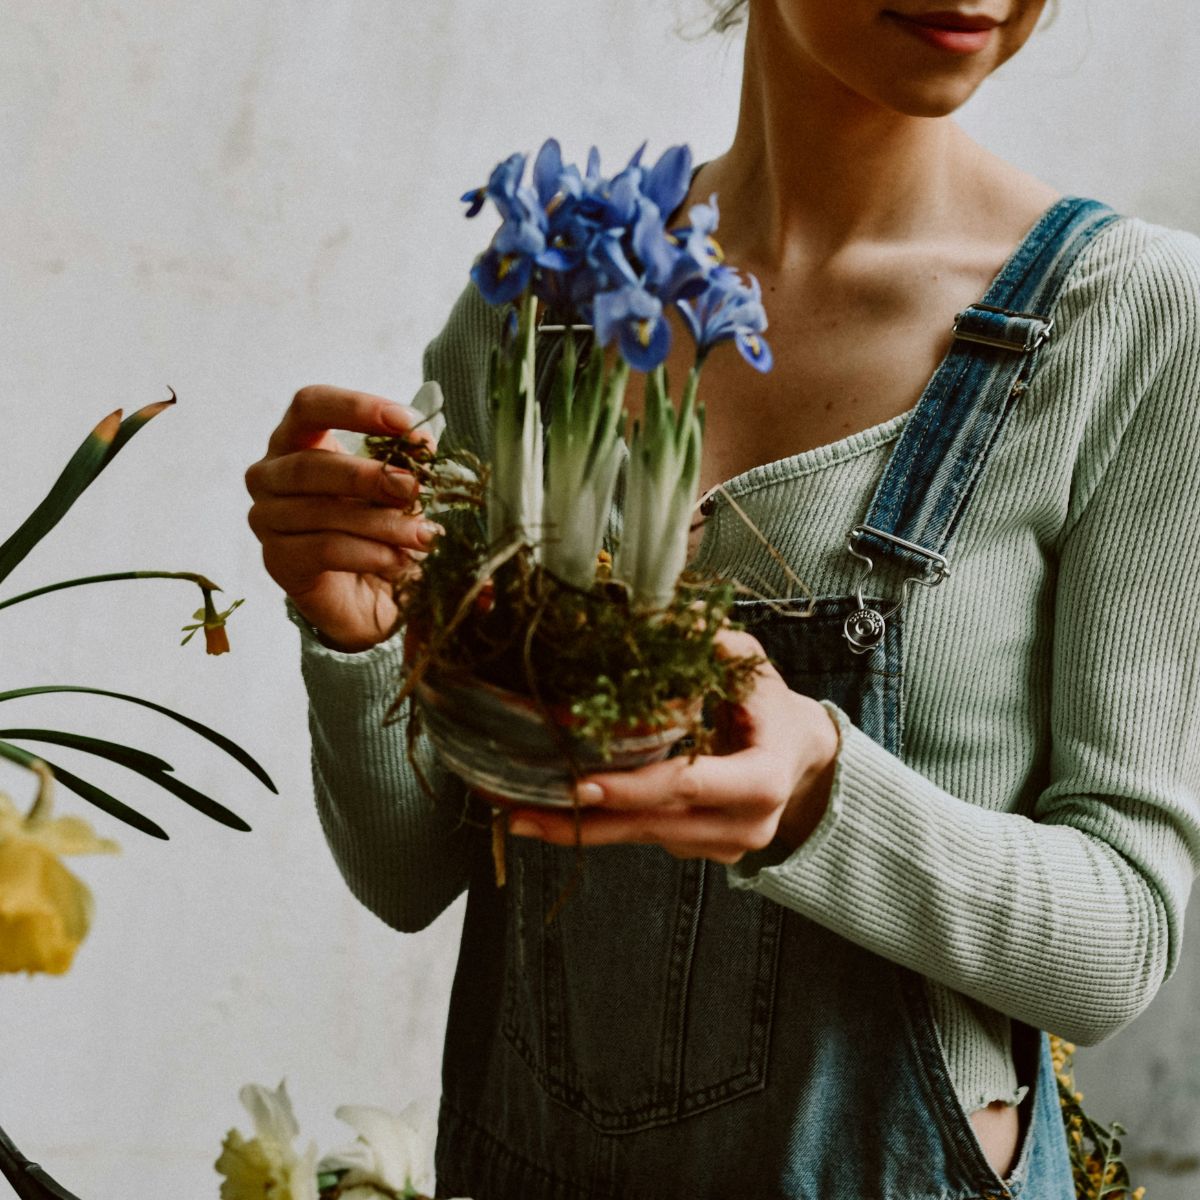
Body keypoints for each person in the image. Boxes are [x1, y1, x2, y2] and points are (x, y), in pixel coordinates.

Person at [244, 1, 1200, 1196]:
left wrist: (819, 791)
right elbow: (410, 869)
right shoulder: (544, 296)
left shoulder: (1129, 320)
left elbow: (1119, 942)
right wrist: (355, 635)